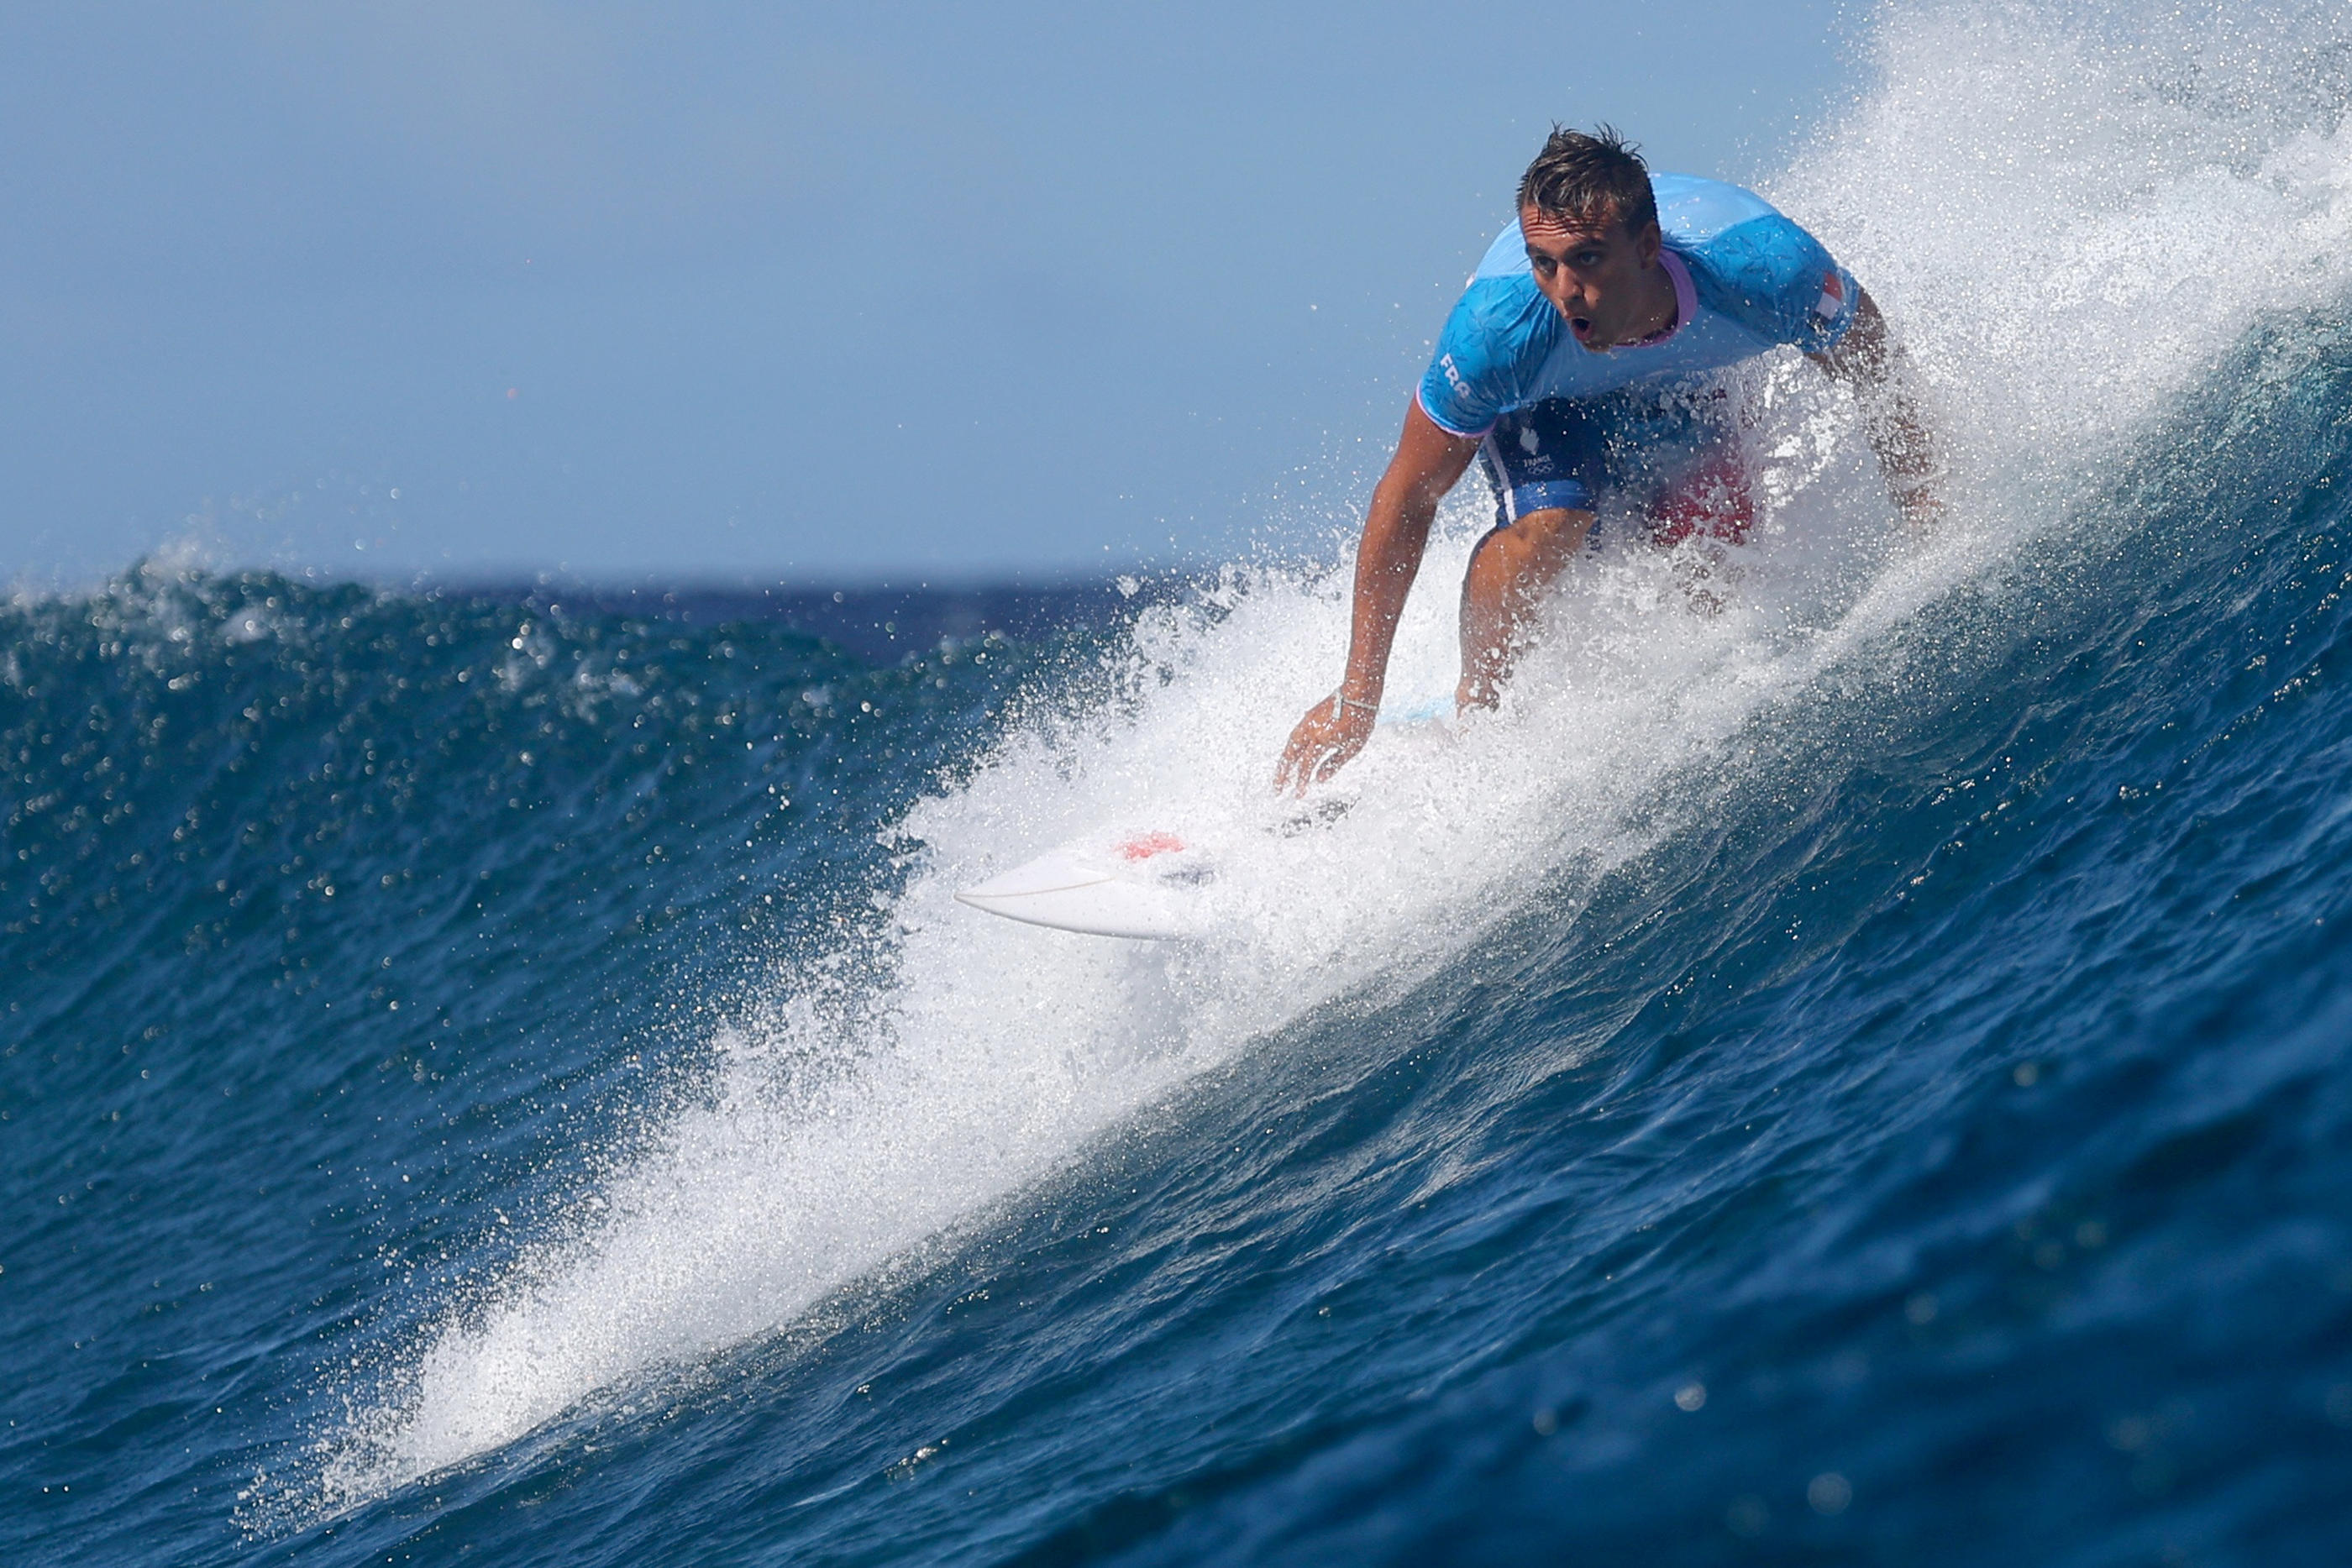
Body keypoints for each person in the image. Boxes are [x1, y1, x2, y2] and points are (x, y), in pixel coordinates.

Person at [1275, 126, 1941, 793]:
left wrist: (1928, 528)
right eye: (1543, 261)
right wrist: (1356, 700)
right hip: (1549, 398)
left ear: (1648, 247)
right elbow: (1410, 495)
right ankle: (1480, 712)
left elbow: (1877, 373)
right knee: (1556, 519)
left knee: (1712, 564)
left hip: (1685, 376)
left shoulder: (1766, 271)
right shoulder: (1501, 332)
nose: (1564, 289)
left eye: (1587, 259)